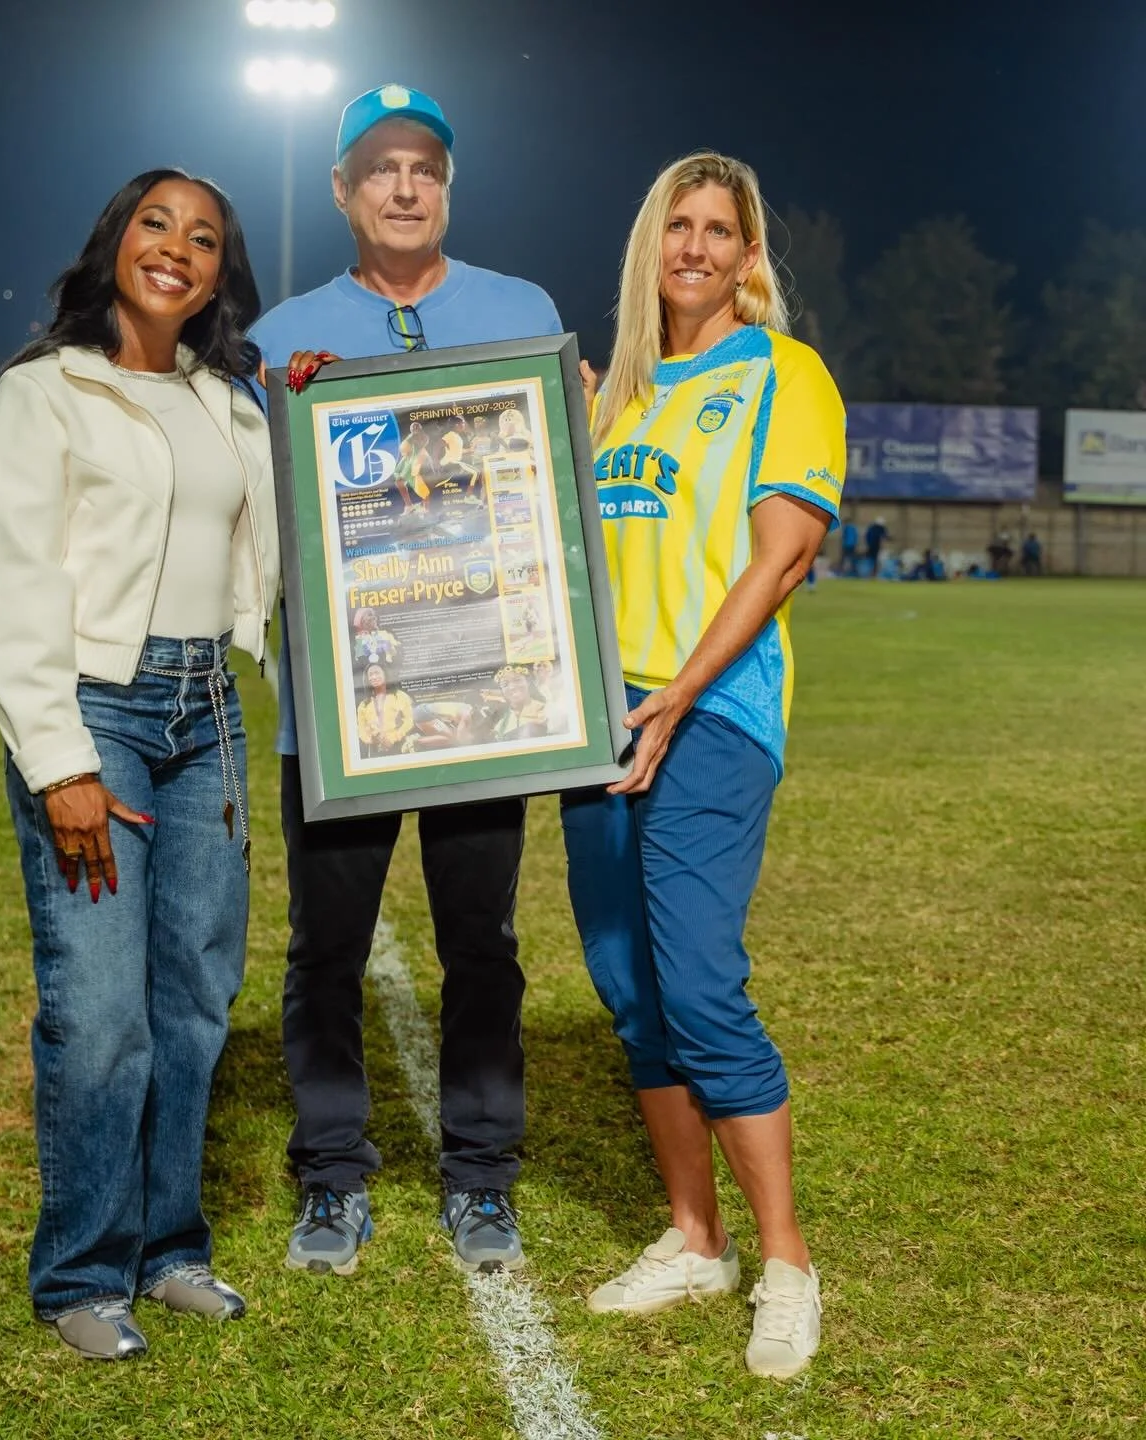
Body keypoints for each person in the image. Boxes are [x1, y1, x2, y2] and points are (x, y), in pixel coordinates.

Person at [0, 169, 278, 1360]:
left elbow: (280, 547)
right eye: (157, 224)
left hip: (209, 715)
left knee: (193, 1001)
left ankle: (170, 1248)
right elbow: (16, 586)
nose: (178, 249)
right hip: (99, 713)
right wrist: (60, 761)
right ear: (116, 242)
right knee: (98, 1013)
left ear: (219, 273)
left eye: (204, 238)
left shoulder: (228, 400)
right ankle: (83, 1274)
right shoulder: (45, 391)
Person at [251, 84, 562, 1277]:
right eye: (379, 167)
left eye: (424, 166)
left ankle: (481, 1173)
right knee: (325, 949)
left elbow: (552, 479)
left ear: (447, 186)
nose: (403, 186)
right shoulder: (280, 337)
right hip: (344, 707)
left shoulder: (521, 310)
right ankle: (332, 1176)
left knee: (480, 940)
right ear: (341, 190)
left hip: (486, 693)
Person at [564, 151, 844, 1380]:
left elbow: (783, 556)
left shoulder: (783, 373)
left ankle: (787, 1264)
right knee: (630, 985)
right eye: (676, 225)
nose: (694, 247)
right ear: (651, 245)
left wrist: (677, 696)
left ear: (748, 255)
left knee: (698, 981)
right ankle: (696, 1239)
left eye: (718, 229)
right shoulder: (618, 398)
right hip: (600, 716)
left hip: (713, 710)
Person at [356, 663, 414, 756]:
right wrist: (371, 739)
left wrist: (393, 738)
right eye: (370, 675)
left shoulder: (400, 696)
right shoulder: (363, 705)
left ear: (385, 674)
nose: (374, 677)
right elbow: (361, 730)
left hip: (399, 747)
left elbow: (409, 721)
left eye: (377, 673)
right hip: (375, 751)